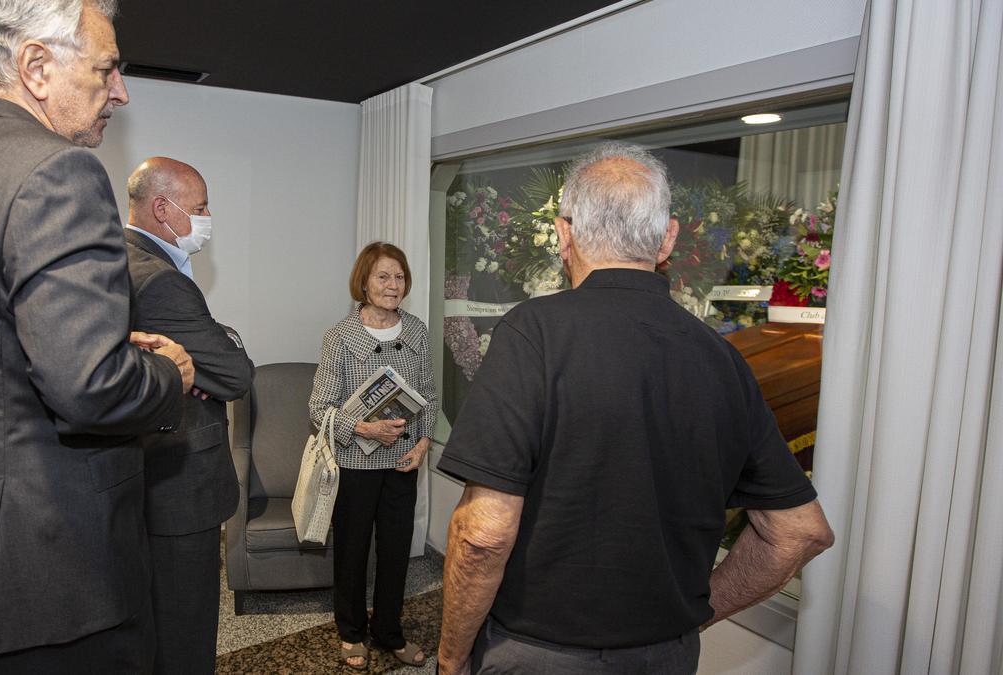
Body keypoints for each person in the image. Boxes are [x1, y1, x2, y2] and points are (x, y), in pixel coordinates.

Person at [436, 142, 835, 674]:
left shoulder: (533, 333)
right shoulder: (723, 358)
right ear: (667, 237)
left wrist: (449, 659)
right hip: (667, 656)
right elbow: (800, 531)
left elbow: (483, 534)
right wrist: (694, 614)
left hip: (538, 654)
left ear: (564, 233)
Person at [0, 1, 195, 672]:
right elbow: (88, 387)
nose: (121, 90)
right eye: (107, 68)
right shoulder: (60, 173)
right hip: (50, 584)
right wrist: (169, 374)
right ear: (36, 67)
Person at [123, 157, 254, 674]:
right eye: (198, 208)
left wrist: (197, 359)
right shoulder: (161, 281)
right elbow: (237, 373)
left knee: (150, 620)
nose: (206, 218)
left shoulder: (118, 257)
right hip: (179, 488)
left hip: (142, 476)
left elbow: (212, 357)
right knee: (185, 629)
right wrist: (206, 359)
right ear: (162, 207)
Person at [308, 242, 439, 670]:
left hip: (403, 464)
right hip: (356, 465)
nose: (392, 285)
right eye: (383, 276)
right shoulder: (340, 337)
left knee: (397, 552)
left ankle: (388, 632)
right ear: (363, 281)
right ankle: (351, 633)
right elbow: (319, 407)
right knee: (351, 552)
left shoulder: (417, 331)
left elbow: (430, 397)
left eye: (399, 276)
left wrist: (422, 445)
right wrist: (363, 428)